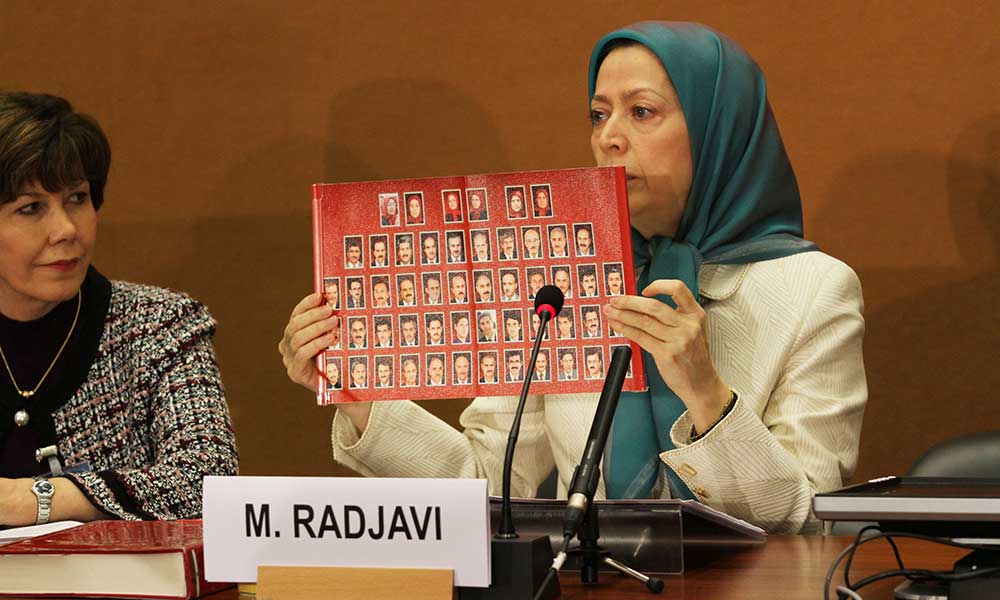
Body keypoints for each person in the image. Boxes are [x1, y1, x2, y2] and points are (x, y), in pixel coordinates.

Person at [280, 22, 866, 535]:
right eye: (598, 114)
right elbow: (487, 484)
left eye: (642, 111)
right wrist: (359, 395)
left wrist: (705, 392)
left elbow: (807, 518)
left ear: (720, 130)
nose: (609, 136)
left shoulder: (814, 290)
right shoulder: (560, 279)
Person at [0, 92, 237, 526]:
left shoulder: (159, 327)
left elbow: (211, 483)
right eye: (31, 208)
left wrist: (31, 499)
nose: (66, 229)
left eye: (77, 198)